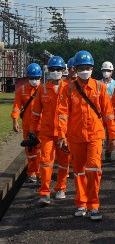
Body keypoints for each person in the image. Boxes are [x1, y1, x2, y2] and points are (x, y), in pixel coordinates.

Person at [57, 50, 115, 221]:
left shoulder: (99, 87)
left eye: (88, 67)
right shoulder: (68, 89)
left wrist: (112, 136)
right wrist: (61, 136)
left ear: (92, 68)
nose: (85, 70)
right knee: (79, 172)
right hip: (75, 137)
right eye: (82, 67)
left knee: (94, 169)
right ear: (75, 69)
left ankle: (94, 205)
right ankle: (81, 203)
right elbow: (62, 114)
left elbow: (109, 114)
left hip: (95, 136)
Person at [29, 56, 69, 205]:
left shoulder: (69, 88)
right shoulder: (43, 89)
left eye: (58, 69)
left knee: (64, 163)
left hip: (64, 134)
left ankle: (61, 188)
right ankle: (44, 192)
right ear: (48, 71)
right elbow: (35, 113)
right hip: (46, 133)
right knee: (45, 162)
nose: (55, 72)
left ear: (63, 71)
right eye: (52, 69)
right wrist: (32, 131)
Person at [11, 63, 43, 183]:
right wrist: (15, 120)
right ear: (27, 77)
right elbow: (17, 107)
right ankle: (32, 173)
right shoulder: (22, 90)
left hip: (42, 125)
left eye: (36, 78)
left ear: (40, 77)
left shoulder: (44, 89)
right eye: (31, 78)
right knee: (30, 151)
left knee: (41, 150)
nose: (34, 80)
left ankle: (40, 173)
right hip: (28, 126)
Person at [101, 61, 115, 162]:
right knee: (100, 134)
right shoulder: (98, 84)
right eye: (104, 70)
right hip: (99, 113)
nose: (106, 72)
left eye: (108, 70)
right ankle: (98, 152)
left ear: (112, 72)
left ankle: (108, 152)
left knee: (110, 134)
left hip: (111, 114)